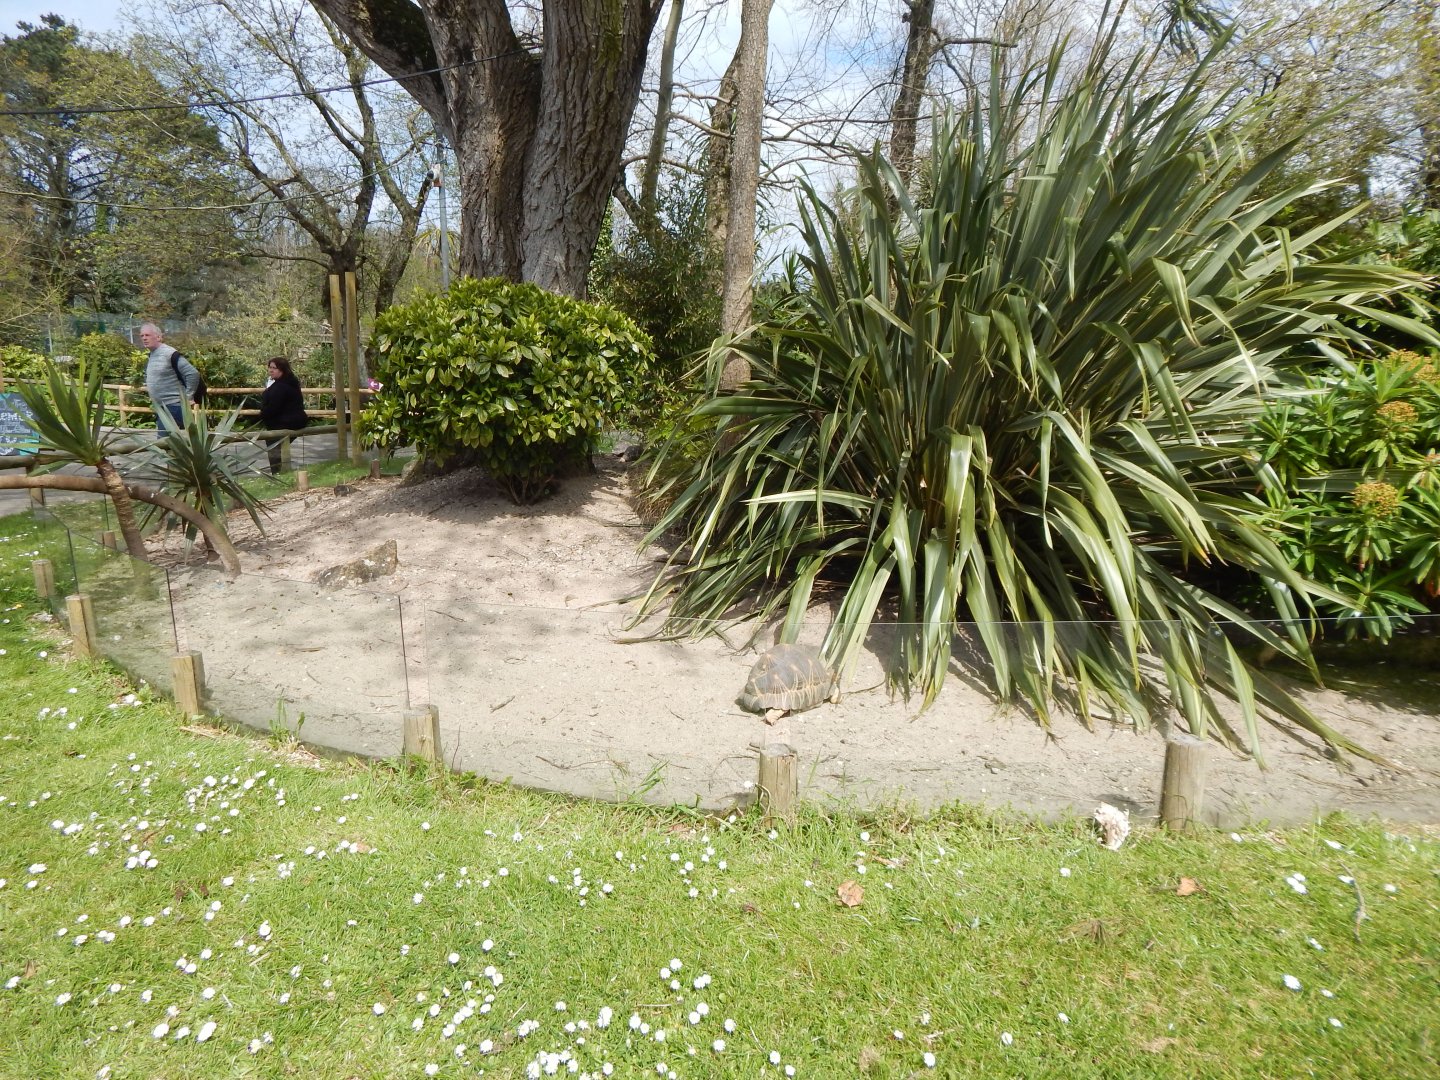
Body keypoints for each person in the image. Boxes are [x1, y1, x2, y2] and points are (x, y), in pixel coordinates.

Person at [139, 323, 201, 431]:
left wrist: (188, 397)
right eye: (142, 335)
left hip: (174, 407)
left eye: (147, 335)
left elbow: (193, 373)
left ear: (158, 337)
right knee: (172, 445)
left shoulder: (169, 353)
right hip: (162, 408)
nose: (144, 338)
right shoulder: (152, 354)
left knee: (165, 444)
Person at [258, 356, 308, 475]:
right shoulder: (290, 383)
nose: (270, 370)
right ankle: (280, 471)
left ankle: (278, 473)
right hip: (294, 421)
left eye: (274, 368)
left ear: (282, 370)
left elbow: (272, 408)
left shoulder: (281, 387)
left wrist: (262, 414)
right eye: (269, 367)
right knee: (277, 445)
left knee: (274, 444)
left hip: (285, 423)